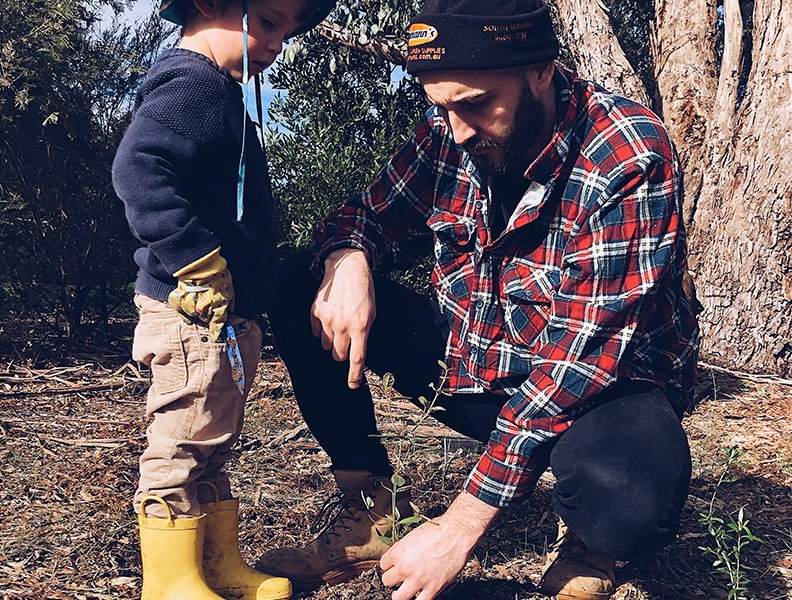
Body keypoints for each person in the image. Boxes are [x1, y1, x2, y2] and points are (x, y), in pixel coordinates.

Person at [258, 0, 700, 599]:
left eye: (475, 103)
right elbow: (363, 216)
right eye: (441, 106)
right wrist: (350, 259)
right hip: (478, 368)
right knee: (299, 284)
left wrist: (460, 525)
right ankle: (371, 508)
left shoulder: (626, 155)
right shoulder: (451, 133)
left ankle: (589, 543)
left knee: (629, 504)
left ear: (540, 70)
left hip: (602, 390)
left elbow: (578, 363)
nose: (459, 129)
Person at [111, 0, 334, 598]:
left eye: (286, 32)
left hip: (222, 314)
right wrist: (197, 262)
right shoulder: (194, 83)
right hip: (192, 311)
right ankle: (170, 582)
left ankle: (214, 566)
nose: (277, 44)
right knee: (183, 441)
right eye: (268, 23)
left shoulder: (217, 88)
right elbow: (138, 169)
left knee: (210, 441)